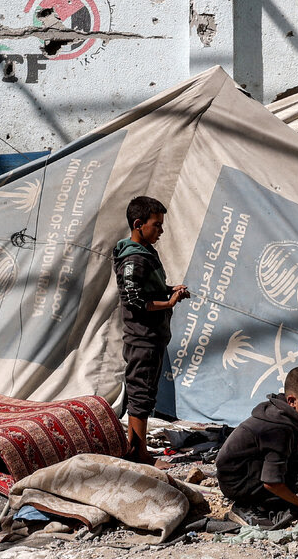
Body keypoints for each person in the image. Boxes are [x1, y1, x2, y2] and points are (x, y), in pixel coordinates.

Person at [113, 195, 189, 464]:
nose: (161, 231)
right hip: (143, 338)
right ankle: (139, 453)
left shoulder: (144, 253)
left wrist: (170, 290)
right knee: (140, 394)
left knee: (144, 393)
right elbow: (134, 300)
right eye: (156, 225)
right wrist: (169, 302)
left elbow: (148, 290)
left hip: (152, 337)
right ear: (138, 224)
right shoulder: (134, 259)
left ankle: (137, 449)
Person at [216, 365, 298, 531]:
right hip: (237, 482)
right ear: (292, 401)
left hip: (252, 471)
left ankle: (268, 501)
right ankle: (246, 508)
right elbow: (271, 483)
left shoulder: (297, 419)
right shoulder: (278, 429)